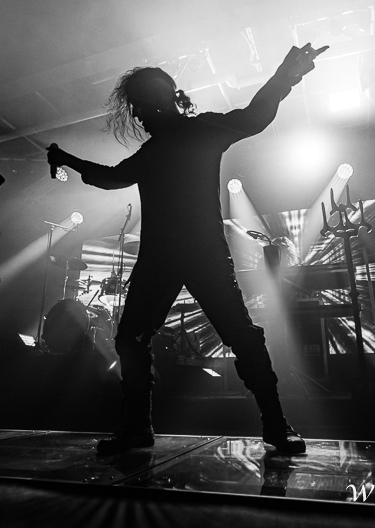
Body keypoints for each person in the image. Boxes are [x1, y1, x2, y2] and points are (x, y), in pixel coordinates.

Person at [46, 42, 329, 456]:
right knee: (181, 338)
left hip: (186, 255)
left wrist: (286, 75)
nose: (137, 117)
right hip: (183, 255)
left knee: (211, 337)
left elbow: (254, 116)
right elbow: (112, 177)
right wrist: (66, 158)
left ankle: (269, 423)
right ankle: (263, 425)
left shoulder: (196, 133)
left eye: (139, 107)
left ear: (158, 101)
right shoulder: (171, 143)